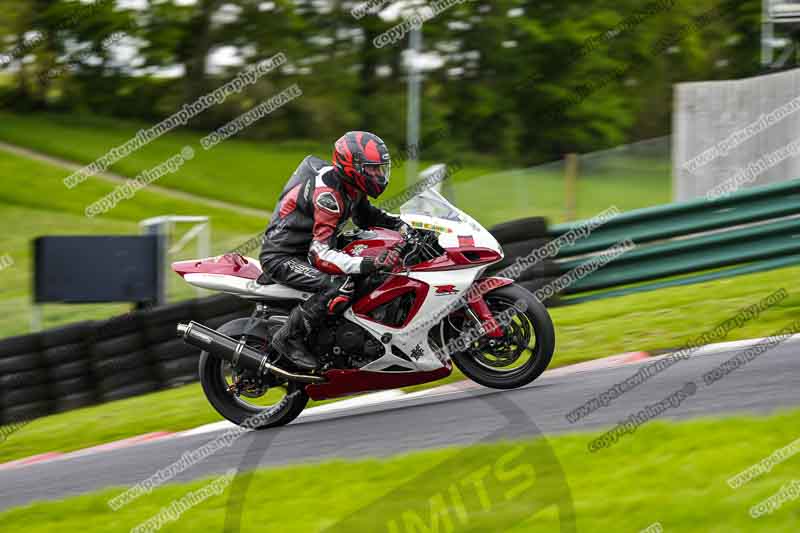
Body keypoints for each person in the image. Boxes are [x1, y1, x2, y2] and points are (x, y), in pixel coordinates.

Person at [259, 131, 412, 370]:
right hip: (284, 257)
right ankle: (289, 339)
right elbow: (320, 254)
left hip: (306, 250)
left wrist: (404, 225)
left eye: (380, 168)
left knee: (367, 252)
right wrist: (369, 263)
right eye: (372, 169)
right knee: (337, 284)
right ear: (352, 167)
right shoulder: (328, 196)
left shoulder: (350, 185)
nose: (378, 175)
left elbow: (366, 216)